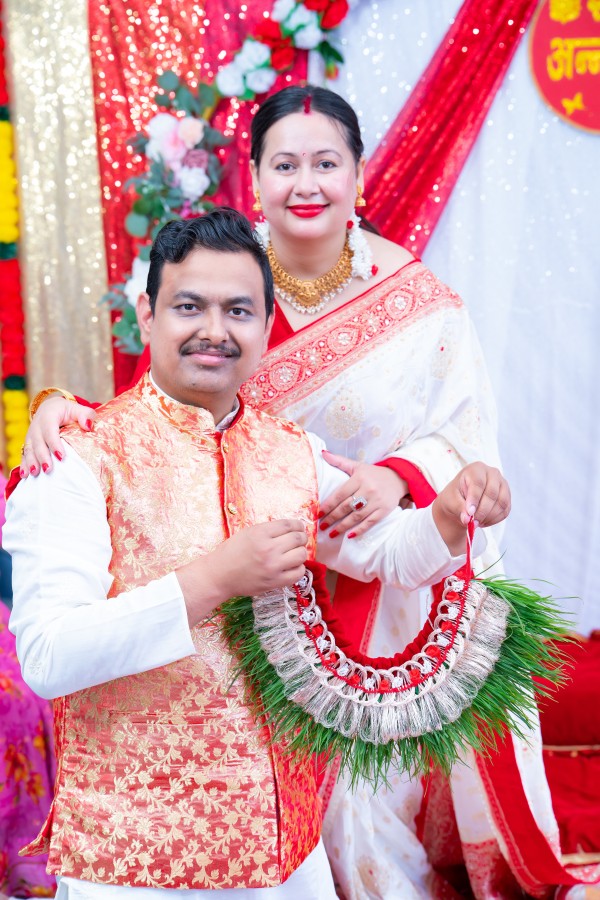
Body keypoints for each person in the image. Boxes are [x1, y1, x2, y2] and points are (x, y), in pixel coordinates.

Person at [17, 86, 568, 899]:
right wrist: (215, 577)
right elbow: (48, 655)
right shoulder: (82, 457)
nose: (216, 330)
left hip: (285, 848)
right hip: (135, 858)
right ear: (146, 312)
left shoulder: (292, 449)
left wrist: (446, 507)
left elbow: (392, 553)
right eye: (190, 307)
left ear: (265, 322)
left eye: (239, 312)